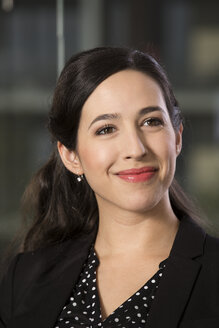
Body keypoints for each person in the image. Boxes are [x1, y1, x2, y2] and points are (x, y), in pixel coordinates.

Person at [0, 46, 219, 328]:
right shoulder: (24, 278)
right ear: (71, 155)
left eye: (151, 122)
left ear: (176, 138)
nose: (135, 149)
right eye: (106, 129)